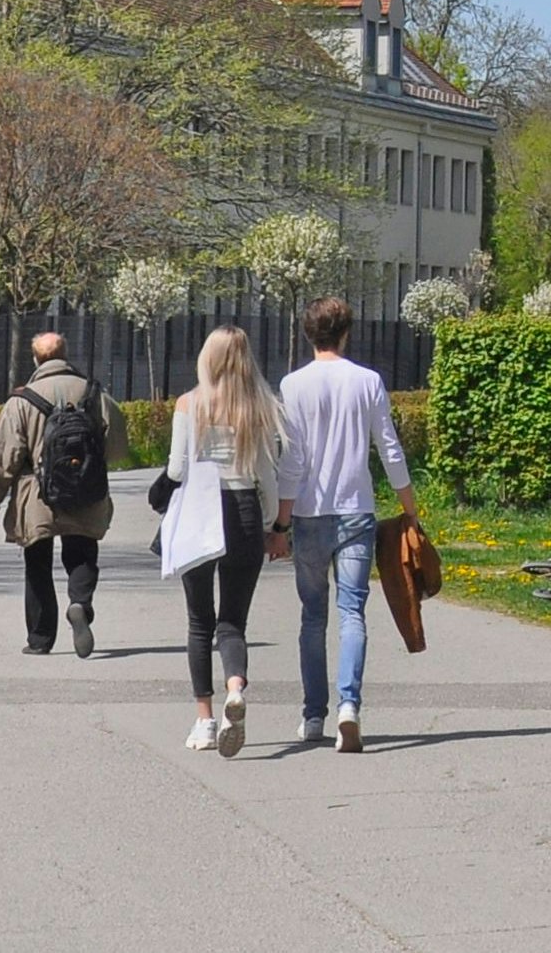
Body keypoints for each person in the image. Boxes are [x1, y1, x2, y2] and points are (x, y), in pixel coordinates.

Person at [278, 294, 416, 753]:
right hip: (357, 509)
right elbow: (389, 447)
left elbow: (292, 460)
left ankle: (313, 714)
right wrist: (409, 506)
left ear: (307, 334)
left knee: (312, 616)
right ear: (346, 333)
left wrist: (281, 520)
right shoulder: (367, 381)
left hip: (309, 512)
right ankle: (349, 707)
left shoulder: (292, 385)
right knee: (352, 611)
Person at [158, 324, 293, 757]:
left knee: (199, 621)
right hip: (244, 513)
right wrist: (272, 526)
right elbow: (267, 476)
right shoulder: (260, 407)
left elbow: (177, 469)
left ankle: (204, 719)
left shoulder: (190, 404)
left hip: (201, 511)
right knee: (233, 623)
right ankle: (235, 687)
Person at [0, 330, 124, 657]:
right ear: (65, 354)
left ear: (36, 359)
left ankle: (40, 639)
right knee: (82, 553)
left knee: (37, 564)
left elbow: (4, 456)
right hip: (85, 488)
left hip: (36, 492)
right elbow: (115, 448)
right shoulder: (94, 393)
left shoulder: (22, 400)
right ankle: (80, 603)